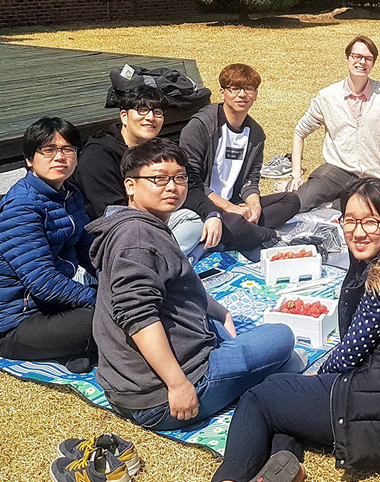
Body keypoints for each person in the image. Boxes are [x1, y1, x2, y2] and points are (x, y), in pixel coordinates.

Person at [142, 179, 380, 482]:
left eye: (371, 221)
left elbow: (351, 351)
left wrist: (318, 375)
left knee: (260, 398)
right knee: (285, 400)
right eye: (350, 220)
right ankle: (288, 466)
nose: (358, 232)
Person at [86, 138, 297, 433]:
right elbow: (137, 316)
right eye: (158, 179)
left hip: (133, 383)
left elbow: (174, 283)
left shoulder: (139, 224)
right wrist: (178, 385)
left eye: (179, 178)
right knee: (282, 338)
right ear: (130, 186)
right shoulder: (136, 238)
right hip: (160, 398)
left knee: (222, 327)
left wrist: (219, 310)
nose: (172, 187)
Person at [0, 117, 98, 372]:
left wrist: (120, 281)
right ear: (29, 159)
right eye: (48, 150)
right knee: (112, 314)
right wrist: (100, 298)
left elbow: (89, 250)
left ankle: (78, 348)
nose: (60, 157)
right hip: (15, 325)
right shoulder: (21, 208)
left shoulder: (70, 194)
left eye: (68, 149)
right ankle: (81, 346)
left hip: (52, 307)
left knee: (132, 301)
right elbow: (42, 282)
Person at [70, 85, 210, 260]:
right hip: (115, 236)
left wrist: (212, 213)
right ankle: (165, 262)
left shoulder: (156, 150)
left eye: (157, 112)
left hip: (152, 220)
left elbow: (189, 186)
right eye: (142, 110)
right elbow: (110, 214)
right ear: (124, 116)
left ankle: (170, 261)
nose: (150, 117)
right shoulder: (97, 156)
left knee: (196, 221)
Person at [179, 63, 300, 256]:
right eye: (235, 88)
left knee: (291, 201)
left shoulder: (256, 134)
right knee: (234, 222)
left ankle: (240, 233)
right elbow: (191, 181)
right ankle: (264, 234)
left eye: (249, 89)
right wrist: (228, 208)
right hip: (204, 206)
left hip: (235, 205)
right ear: (222, 92)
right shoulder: (201, 126)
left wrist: (254, 205)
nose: (242, 95)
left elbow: (250, 180)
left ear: (256, 94)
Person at [290, 36, 380, 211]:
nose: (362, 62)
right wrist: (296, 174)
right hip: (334, 173)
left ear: (373, 63)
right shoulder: (328, 96)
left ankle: (334, 205)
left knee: (365, 210)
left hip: (373, 176)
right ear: (347, 58)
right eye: (356, 56)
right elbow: (300, 132)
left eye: (368, 58)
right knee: (298, 203)